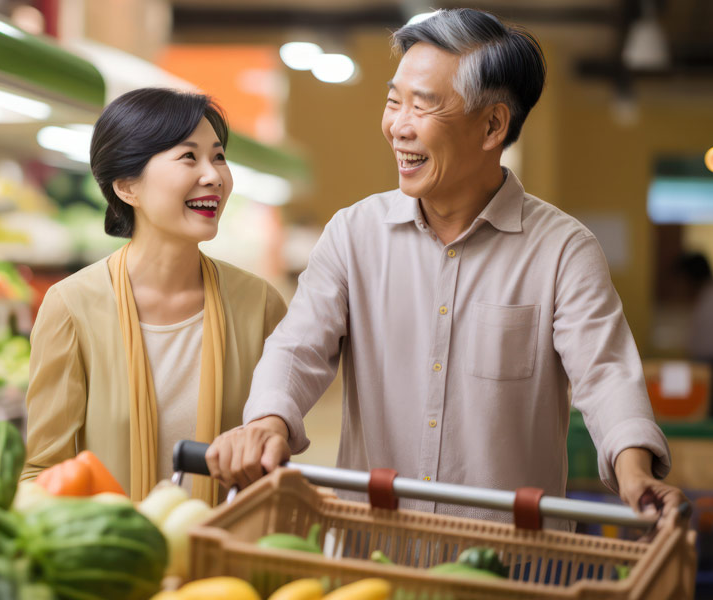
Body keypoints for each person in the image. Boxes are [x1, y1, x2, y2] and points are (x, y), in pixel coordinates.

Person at [206, 9, 687, 529]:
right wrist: (267, 422)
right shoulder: (352, 234)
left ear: (493, 125)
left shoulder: (563, 251)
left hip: (509, 560)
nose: (398, 126)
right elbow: (297, 347)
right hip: (373, 555)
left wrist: (635, 473)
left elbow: (606, 374)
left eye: (422, 106)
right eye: (394, 102)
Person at [21, 88, 287, 505]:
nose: (214, 176)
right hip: (115, 543)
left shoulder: (260, 305)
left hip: (228, 542)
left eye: (218, 156)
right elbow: (44, 469)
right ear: (127, 186)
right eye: (189, 157)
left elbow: (274, 461)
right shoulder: (72, 306)